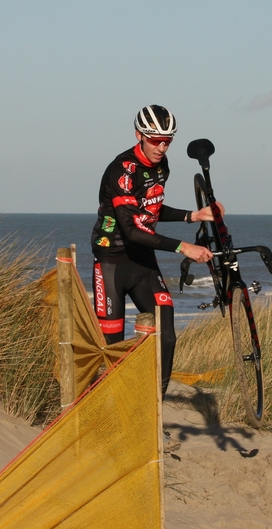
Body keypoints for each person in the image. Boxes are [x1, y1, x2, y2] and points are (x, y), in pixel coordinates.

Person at [90, 105, 222, 396]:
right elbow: (132, 230)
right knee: (110, 350)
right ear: (139, 135)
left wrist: (193, 215)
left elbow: (151, 209)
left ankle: (154, 410)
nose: (161, 147)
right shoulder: (123, 170)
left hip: (142, 261)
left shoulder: (161, 165)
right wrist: (183, 247)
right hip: (112, 260)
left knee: (166, 336)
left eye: (168, 141)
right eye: (154, 140)